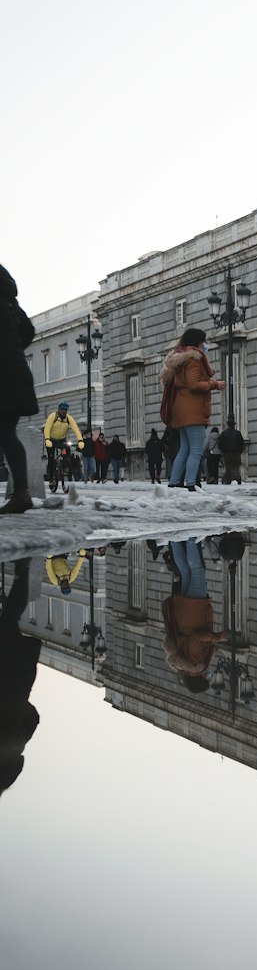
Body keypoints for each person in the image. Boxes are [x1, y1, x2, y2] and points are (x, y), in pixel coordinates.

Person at [159, 328, 225, 490]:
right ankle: (190, 483)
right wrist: (214, 384)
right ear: (198, 342)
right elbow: (193, 384)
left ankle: (174, 481)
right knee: (196, 450)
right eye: (203, 341)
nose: (205, 345)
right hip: (192, 409)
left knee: (184, 449)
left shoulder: (180, 358)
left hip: (181, 408)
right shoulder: (193, 359)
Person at [161, 538, 227, 693]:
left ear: (201, 678)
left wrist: (216, 638)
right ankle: (175, 540)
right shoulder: (182, 663)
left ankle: (191, 538)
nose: (209, 676)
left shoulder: (197, 663)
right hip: (184, 613)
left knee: (197, 570)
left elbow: (196, 638)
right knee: (184, 571)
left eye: (207, 679)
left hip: (194, 610)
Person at [0, 263, 39, 515]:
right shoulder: (11, 304)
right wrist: (13, 351)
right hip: (16, 372)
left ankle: (23, 493)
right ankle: (22, 492)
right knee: (6, 432)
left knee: (5, 432)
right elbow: (29, 330)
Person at [0, 558, 41, 793]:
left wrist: (20, 703)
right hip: (8, 676)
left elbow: (34, 717)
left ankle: (23, 573)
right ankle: (23, 573)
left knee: (8, 622)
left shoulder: (18, 742)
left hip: (18, 680)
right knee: (7, 623)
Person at [42, 400, 84, 487]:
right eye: (62, 409)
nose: (64, 411)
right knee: (51, 459)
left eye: (65, 410)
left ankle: (65, 467)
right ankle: (51, 478)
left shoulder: (69, 418)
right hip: (51, 440)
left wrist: (80, 440)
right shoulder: (52, 416)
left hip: (61, 440)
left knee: (67, 451)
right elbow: (47, 428)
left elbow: (76, 429)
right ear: (59, 409)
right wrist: (47, 439)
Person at [217, 420, 246, 484]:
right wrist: (240, 451)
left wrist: (223, 450)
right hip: (236, 453)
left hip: (227, 453)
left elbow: (220, 443)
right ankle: (238, 478)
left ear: (227, 425)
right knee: (236, 466)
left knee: (228, 467)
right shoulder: (237, 433)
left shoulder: (224, 433)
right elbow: (241, 443)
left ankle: (228, 480)